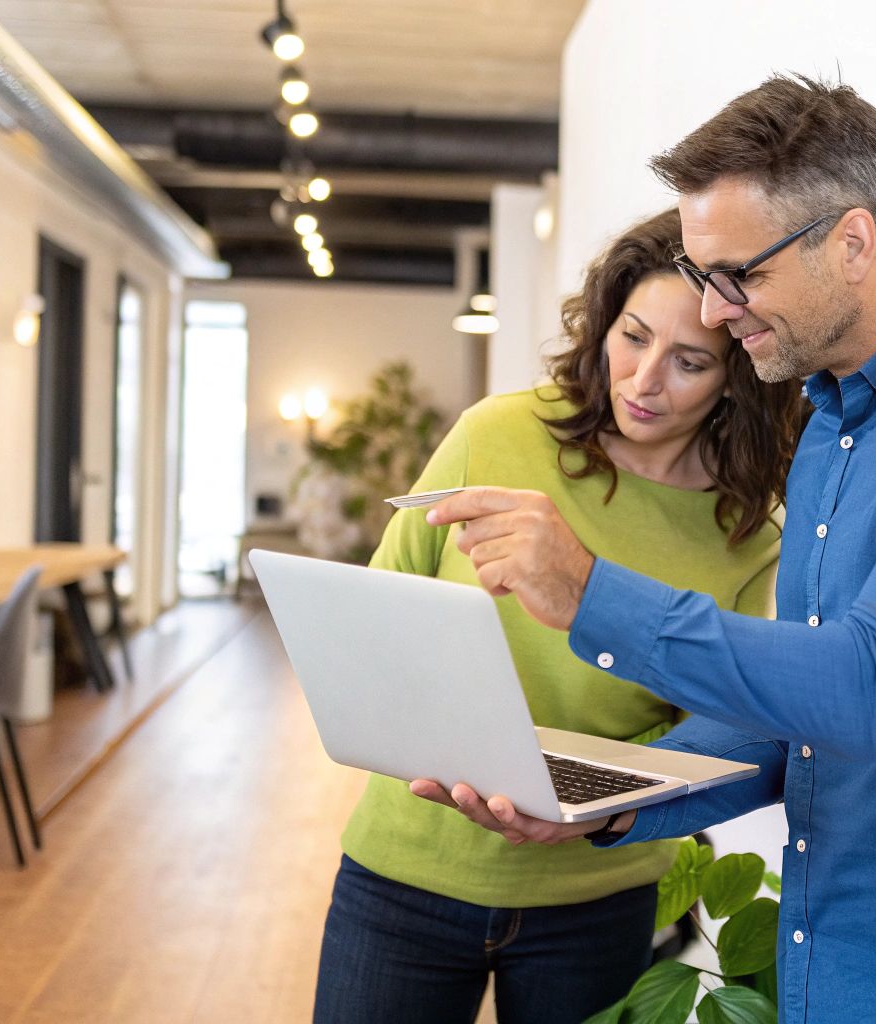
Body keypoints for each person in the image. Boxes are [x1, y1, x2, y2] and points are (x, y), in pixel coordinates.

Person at [413, 75, 876, 1022]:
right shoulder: (834, 422)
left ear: (851, 242)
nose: (712, 313)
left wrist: (591, 591)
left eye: (738, 276)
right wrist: (610, 798)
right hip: (842, 973)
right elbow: (797, 711)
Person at [313, 207, 804, 1024]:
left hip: (596, 898)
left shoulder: (748, 528)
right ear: (603, 324)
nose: (645, 382)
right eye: (633, 337)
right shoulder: (495, 434)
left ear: (737, 376)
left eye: (689, 361)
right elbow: (376, 615)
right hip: (407, 871)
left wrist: (585, 799)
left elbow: (720, 719)